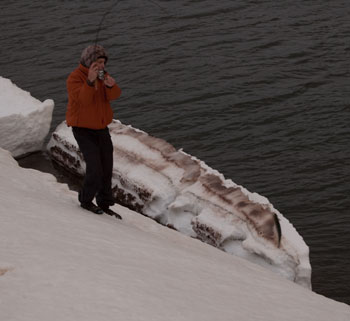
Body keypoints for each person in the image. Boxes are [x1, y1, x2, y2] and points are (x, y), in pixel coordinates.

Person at [66, 44, 122, 218]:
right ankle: (85, 200)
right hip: (83, 129)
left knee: (107, 166)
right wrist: (89, 82)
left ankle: (104, 203)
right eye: (98, 62)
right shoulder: (74, 78)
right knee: (95, 167)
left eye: (104, 62)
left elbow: (114, 96)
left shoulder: (102, 76)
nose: (102, 66)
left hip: (101, 129)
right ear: (89, 62)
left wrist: (111, 86)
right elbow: (83, 100)